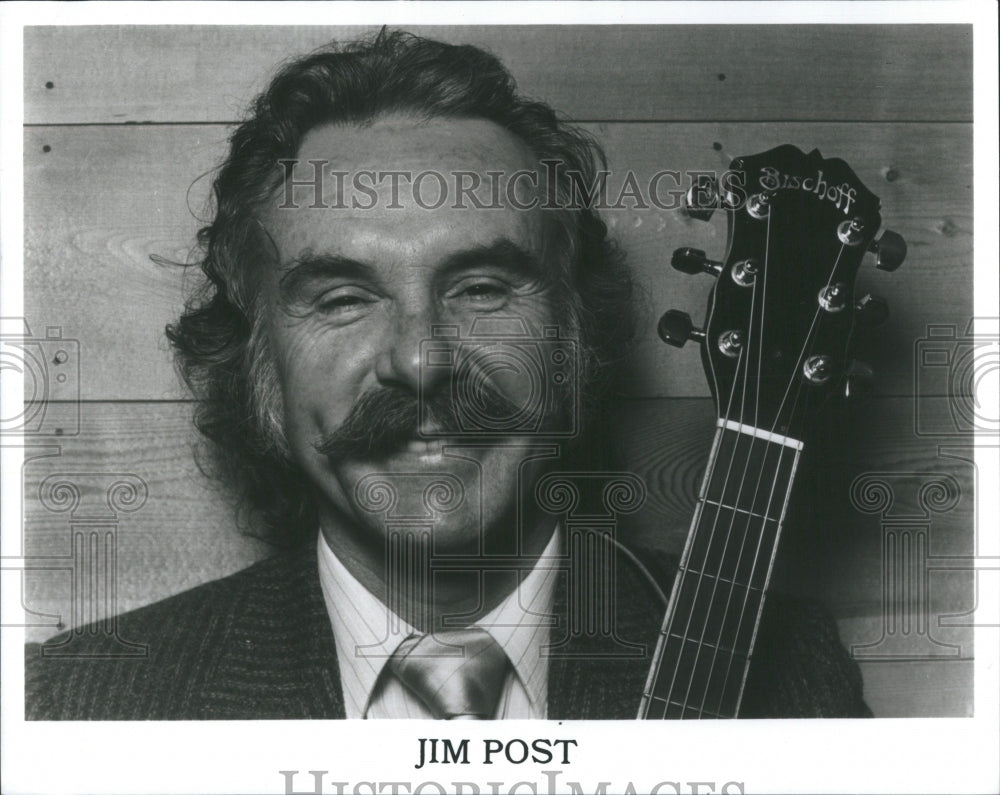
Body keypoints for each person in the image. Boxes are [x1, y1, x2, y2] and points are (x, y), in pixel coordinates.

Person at [25, 30, 868, 720]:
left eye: (483, 288)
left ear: (572, 340)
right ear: (258, 371)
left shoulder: (794, 681)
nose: (422, 359)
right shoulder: (75, 705)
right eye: (344, 298)